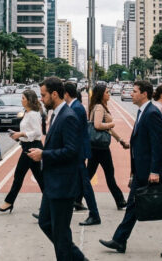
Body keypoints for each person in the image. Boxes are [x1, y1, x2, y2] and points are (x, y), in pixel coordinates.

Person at [100, 80, 162, 258]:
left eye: (134, 91)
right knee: (133, 205)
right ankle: (119, 239)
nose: (131, 93)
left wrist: (155, 171)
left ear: (144, 94)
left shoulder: (152, 113)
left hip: (150, 171)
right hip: (142, 169)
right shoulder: (143, 112)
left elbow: (158, 144)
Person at [27, 77, 86, 261]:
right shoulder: (56, 114)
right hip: (53, 183)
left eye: (43, 95)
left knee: (60, 234)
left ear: (54, 94)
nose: (41, 100)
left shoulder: (68, 117)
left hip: (63, 184)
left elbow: (71, 151)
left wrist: (43, 154)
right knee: (45, 223)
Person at [0, 89, 45, 212]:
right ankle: (51, 201)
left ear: (29, 100)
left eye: (23, 98)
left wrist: (21, 134)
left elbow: (37, 132)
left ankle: (9, 202)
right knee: (39, 177)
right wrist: (18, 135)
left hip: (32, 147)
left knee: (19, 175)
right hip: (28, 146)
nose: (21, 100)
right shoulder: (27, 113)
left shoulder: (33, 114)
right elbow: (30, 132)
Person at [86, 83, 129, 210]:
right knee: (109, 175)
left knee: (88, 176)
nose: (108, 94)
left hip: (97, 147)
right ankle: (120, 201)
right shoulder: (99, 107)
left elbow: (106, 128)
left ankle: (76, 199)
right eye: (106, 92)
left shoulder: (100, 106)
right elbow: (98, 125)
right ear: (101, 94)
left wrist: (120, 140)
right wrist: (112, 124)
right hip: (100, 148)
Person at [64, 82, 100, 226]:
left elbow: (76, 132)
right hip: (77, 151)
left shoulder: (77, 108)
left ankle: (94, 214)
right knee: (78, 183)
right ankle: (48, 210)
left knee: (85, 184)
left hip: (77, 152)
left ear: (66, 93)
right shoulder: (74, 106)